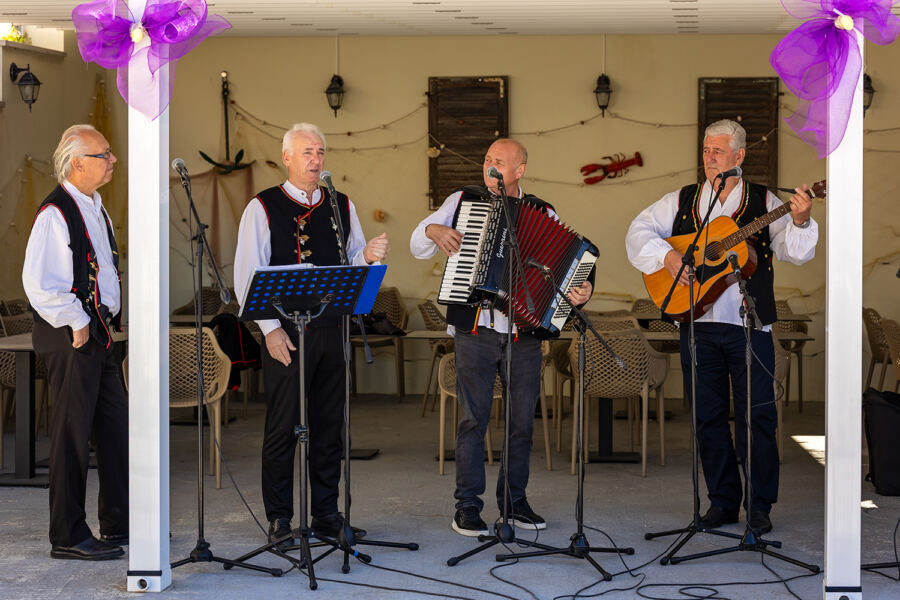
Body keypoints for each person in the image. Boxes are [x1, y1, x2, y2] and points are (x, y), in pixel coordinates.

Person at [625, 119, 818, 534]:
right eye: (706, 150)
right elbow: (638, 231)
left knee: (757, 417)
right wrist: (668, 257)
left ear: (739, 156)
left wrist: (801, 221)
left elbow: (795, 252)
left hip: (750, 325)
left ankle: (760, 506)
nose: (709, 157)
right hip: (697, 325)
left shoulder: (765, 201)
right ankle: (723, 502)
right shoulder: (682, 199)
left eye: (717, 151)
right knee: (707, 418)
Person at [410, 138, 592, 537]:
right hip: (475, 329)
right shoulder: (462, 201)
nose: (489, 166)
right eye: (487, 159)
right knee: (473, 421)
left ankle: (514, 502)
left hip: (523, 334)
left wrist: (583, 290)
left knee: (521, 423)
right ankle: (467, 506)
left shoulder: (542, 211)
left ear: (519, 170)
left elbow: (566, 268)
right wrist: (432, 229)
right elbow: (417, 246)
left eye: (499, 161)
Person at [234, 123, 389, 544]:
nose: (316, 159)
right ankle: (280, 518)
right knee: (283, 427)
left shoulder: (341, 203)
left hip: (333, 330)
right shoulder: (262, 206)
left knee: (329, 427)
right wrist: (269, 331)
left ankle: (326, 514)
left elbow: (351, 261)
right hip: (286, 333)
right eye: (307, 152)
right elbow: (246, 273)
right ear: (286, 157)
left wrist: (367, 255)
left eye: (320, 152)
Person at [23, 124, 128, 560]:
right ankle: (67, 535)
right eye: (104, 154)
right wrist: (78, 322)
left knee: (115, 428)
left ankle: (119, 523)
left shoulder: (95, 207)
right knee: (72, 434)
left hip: (97, 333)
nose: (113, 160)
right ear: (77, 163)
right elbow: (40, 283)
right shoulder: (56, 213)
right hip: (72, 334)